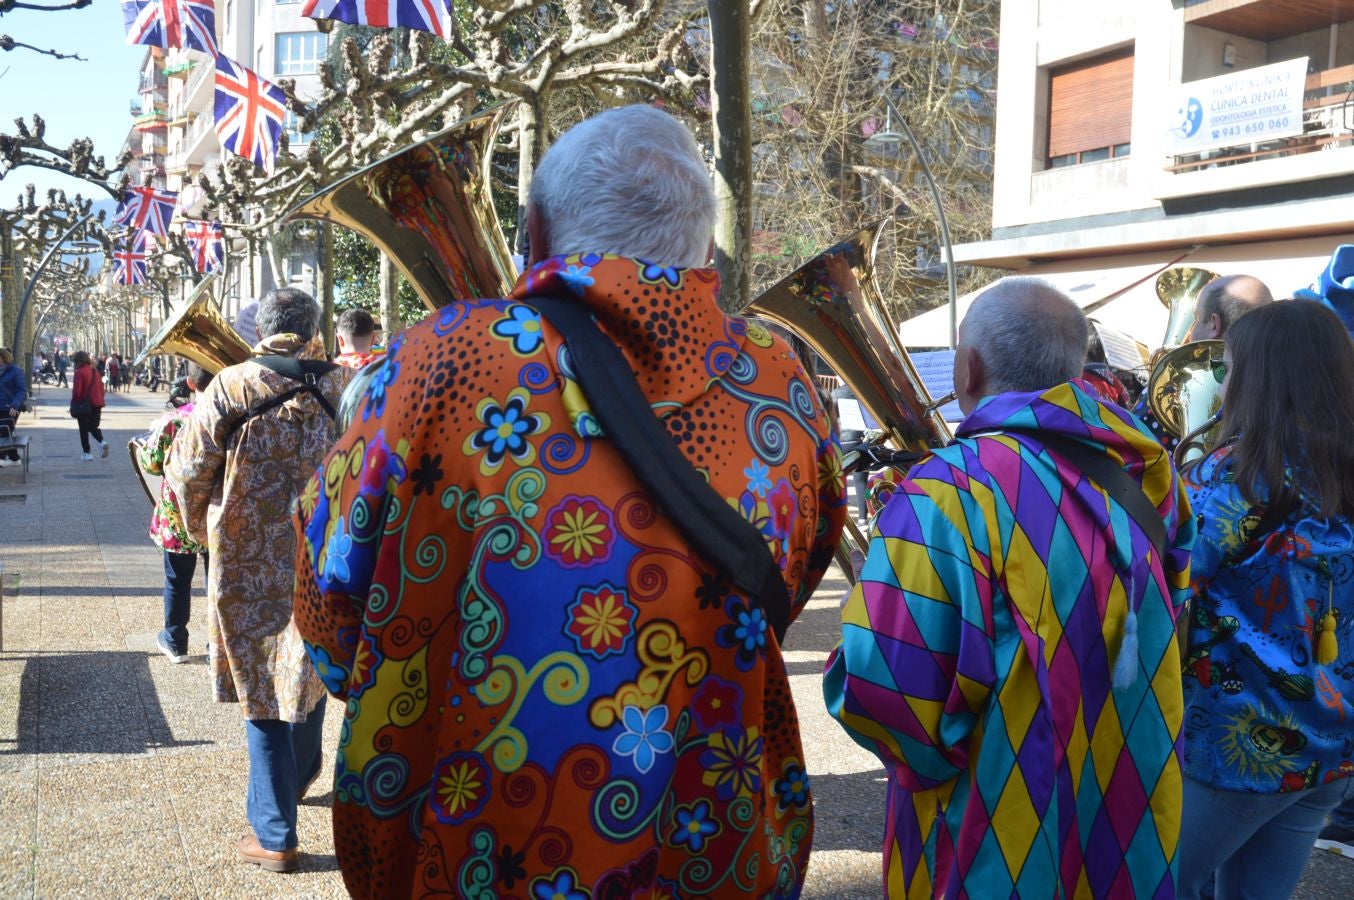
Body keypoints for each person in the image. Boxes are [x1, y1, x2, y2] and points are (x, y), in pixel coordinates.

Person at [293, 105, 847, 899]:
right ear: (703, 244)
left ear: (536, 232)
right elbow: (798, 570)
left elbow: (329, 597)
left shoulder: (439, 358)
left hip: (474, 847)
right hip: (713, 843)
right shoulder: (780, 376)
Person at [825, 278, 1196, 898]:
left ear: (967, 368)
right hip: (1128, 803)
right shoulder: (1151, 472)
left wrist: (856, 628)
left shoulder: (944, 493)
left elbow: (890, 698)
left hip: (996, 833)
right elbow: (1172, 611)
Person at [166, 287, 353, 873]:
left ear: (262, 328)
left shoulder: (233, 386)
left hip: (247, 560)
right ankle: (298, 776)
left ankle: (275, 833)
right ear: (314, 331)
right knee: (309, 660)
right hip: (324, 554)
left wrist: (201, 528)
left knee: (262, 680)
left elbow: (187, 471)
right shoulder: (344, 386)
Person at [1175, 300, 1354, 899]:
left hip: (1237, 744)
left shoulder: (1237, 476)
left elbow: (1166, 576)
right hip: (1331, 746)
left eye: (1229, 370)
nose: (1224, 387)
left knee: (1151, 882)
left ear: (1258, 379)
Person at [1133, 274, 1273, 452]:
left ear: (1215, 325)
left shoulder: (1172, 388)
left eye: (1197, 319)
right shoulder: (1280, 385)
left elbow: (1132, 447)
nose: (1191, 331)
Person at [141, 363, 214, 664]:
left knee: (176, 579)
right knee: (216, 582)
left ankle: (175, 642)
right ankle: (216, 647)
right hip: (215, 512)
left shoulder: (173, 421)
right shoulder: (231, 418)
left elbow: (150, 462)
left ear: (190, 384)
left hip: (177, 514)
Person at [70, 351, 108, 461]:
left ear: (77, 361)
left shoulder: (79, 372)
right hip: (97, 403)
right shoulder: (95, 371)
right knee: (92, 426)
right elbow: (101, 389)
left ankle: (87, 453)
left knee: (83, 428)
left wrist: (73, 403)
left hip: (83, 404)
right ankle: (102, 442)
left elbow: (77, 391)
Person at [0, 348, 26, 469]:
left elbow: (22, 390)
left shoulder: (15, 371)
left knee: (4, 431)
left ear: (4, 358)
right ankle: (14, 458)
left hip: (11, 408)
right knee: (7, 432)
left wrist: (15, 405)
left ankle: (1, 457)